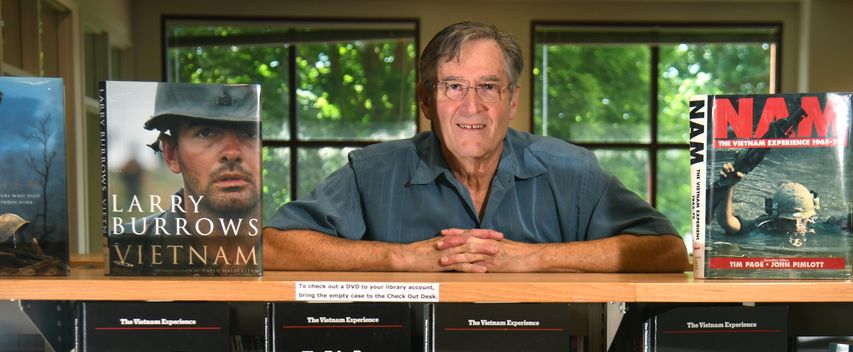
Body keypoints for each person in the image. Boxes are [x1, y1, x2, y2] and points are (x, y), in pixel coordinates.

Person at [264, 21, 686, 273]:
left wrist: (530, 260)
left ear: (512, 100)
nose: (472, 106)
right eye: (453, 86)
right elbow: (271, 246)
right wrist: (402, 260)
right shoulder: (373, 171)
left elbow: (667, 250)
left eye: (488, 86)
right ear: (426, 99)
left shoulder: (571, 171)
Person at [135, 83, 262, 268]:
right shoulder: (124, 247)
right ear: (171, 153)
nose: (232, 153)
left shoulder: (293, 244)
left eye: (250, 132)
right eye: (206, 132)